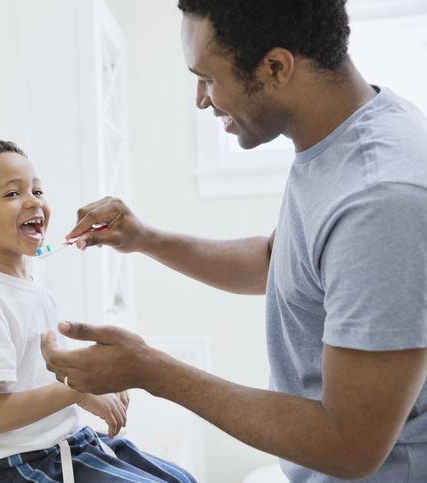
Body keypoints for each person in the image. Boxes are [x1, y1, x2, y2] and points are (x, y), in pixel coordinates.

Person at [40, 0, 427, 482]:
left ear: (276, 67)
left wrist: (152, 371)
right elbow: (278, 260)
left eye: (207, 78)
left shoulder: (380, 198)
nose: (201, 99)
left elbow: (349, 445)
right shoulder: (339, 144)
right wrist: (145, 238)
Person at [0, 139, 197, 483]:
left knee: (182, 480)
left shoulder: (34, 289)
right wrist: (80, 387)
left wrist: (84, 393)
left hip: (66, 445)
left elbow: (44, 377)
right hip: (12, 465)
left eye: (37, 190)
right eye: (13, 194)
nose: (34, 201)